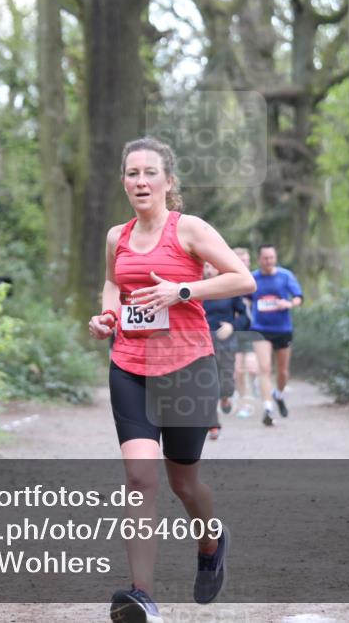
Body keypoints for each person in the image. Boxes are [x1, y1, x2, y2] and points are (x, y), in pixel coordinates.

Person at [87, 137, 256, 623]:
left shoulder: (189, 229)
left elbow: (242, 278)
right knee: (140, 479)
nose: (140, 181)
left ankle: (212, 540)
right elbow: (114, 283)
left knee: (184, 482)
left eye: (150, 173)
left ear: (168, 181)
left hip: (187, 369)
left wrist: (181, 290)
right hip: (130, 367)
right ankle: (141, 596)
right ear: (124, 181)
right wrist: (107, 316)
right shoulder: (116, 237)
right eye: (132, 173)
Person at [249, 244, 303, 427]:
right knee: (264, 369)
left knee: (283, 371)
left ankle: (278, 395)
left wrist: (289, 304)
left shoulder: (285, 276)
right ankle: (268, 408)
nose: (268, 261)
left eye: (271, 257)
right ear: (259, 259)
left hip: (282, 329)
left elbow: (298, 297)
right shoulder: (253, 278)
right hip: (260, 329)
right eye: (265, 258)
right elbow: (244, 299)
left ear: (275, 258)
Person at [201, 261, 250, 440]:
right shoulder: (195, 288)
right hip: (202, 342)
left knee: (226, 381)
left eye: (212, 266)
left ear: (219, 267)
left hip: (226, 342)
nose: (208, 270)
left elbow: (245, 318)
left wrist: (232, 326)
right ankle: (213, 424)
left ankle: (226, 397)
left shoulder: (229, 288)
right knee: (206, 382)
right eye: (205, 266)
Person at [231, 247, 259, 415]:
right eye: (240, 260)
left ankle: (254, 384)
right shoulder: (229, 280)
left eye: (246, 261)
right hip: (237, 331)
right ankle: (244, 403)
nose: (244, 264)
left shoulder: (256, 280)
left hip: (256, 330)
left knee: (253, 368)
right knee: (238, 370)